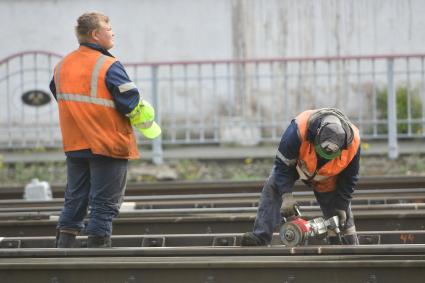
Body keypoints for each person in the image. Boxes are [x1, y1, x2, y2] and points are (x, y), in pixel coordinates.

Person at [49, 12, 161, 248]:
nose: (112, 32)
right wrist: (149, 121)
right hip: (107, 143)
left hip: (75, 143)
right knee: (104, 203)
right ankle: (97, 251)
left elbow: (62, 96)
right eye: (108, 27)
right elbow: (130, 102)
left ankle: (63, 249)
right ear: (95, 34)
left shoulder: (62, 65)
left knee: (75, 199)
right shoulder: (108, 65)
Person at [241, 108, 360, 246]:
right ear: (316, 135)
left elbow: (349, 178)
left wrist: (342, 205)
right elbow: (282, 166)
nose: (323, 156)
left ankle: (347, 246)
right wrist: (286, 196)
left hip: (328, 175)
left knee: (342, 217)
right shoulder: (298, 129)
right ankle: (260, 236)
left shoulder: (354, 143)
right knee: (273, 185)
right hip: (297, 164)